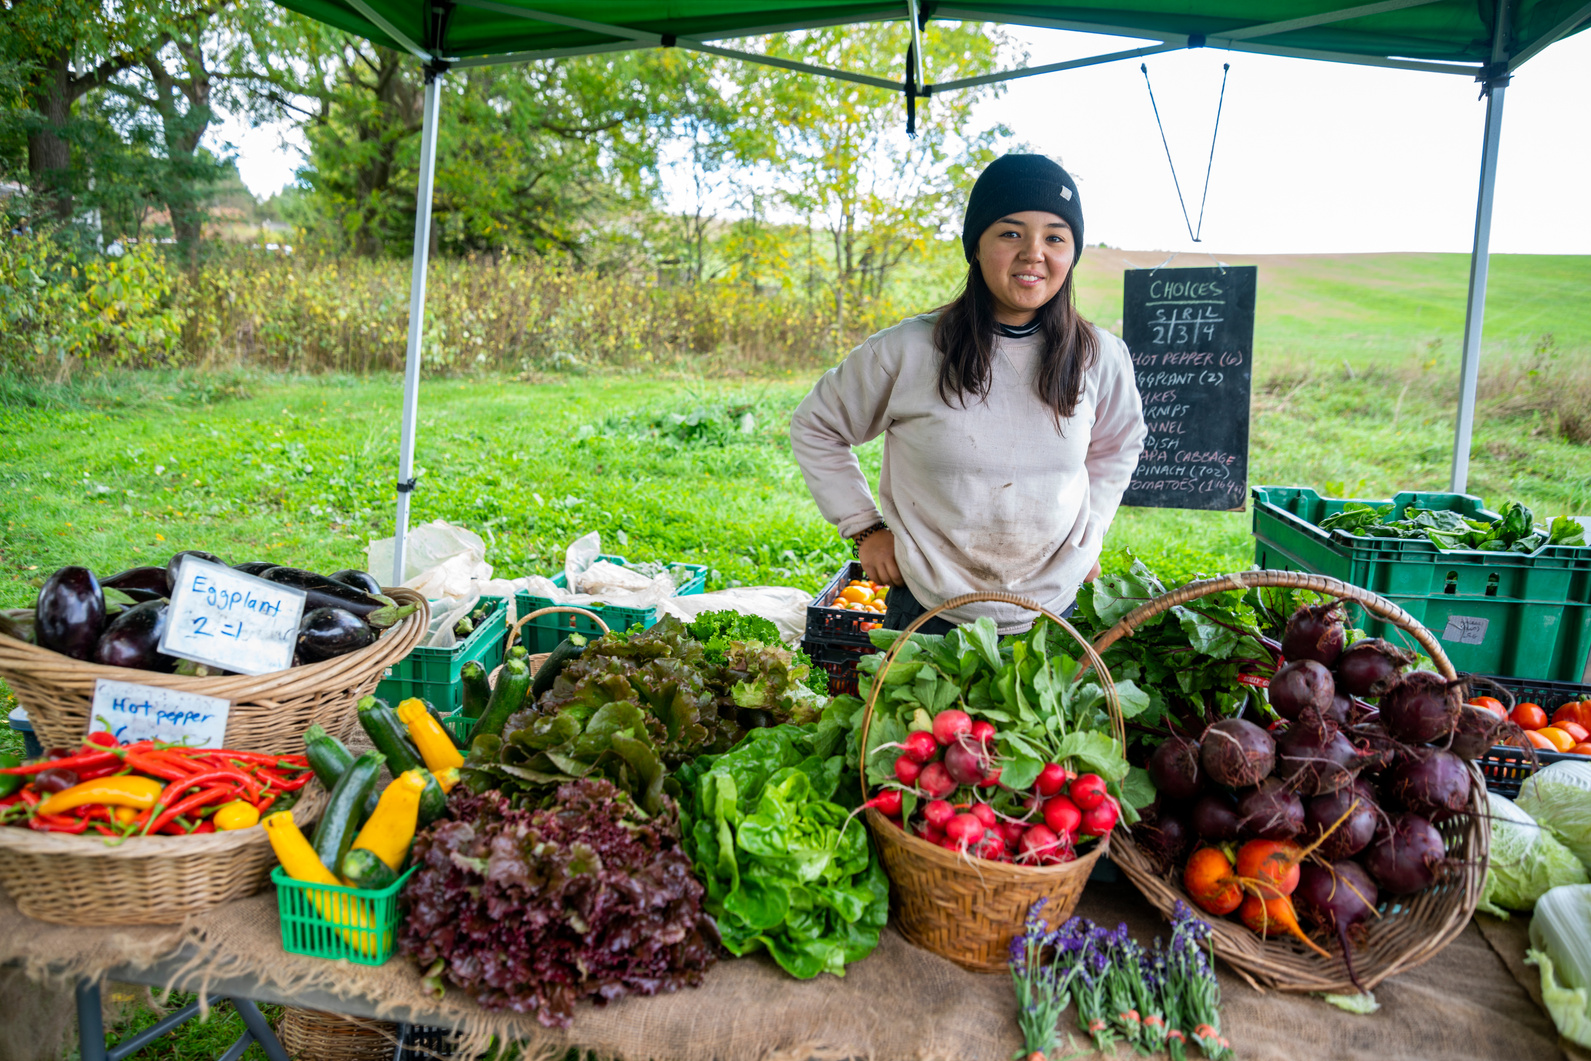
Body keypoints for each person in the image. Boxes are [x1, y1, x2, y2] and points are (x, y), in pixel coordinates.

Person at [790, 153, 1147, 635]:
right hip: (927, 612)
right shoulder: (909, 349)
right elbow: (818, 426)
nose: (1033, 253)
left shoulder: (1100, 355)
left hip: (1052, 615)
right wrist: (865, 529)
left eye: (1055, 237)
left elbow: (1118, 445)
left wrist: (1092, 532)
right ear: (976, 246)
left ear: (1072, 253)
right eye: (1010, 232)